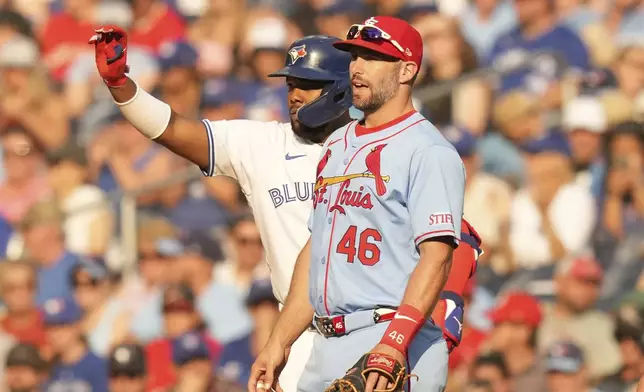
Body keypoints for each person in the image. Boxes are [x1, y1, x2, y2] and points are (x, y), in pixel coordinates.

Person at [89, 25, 481, 392]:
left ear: (342, 87)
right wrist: (122, 86)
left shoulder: (398, 145)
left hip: (383, 327)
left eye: (308, 85)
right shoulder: (266, 145)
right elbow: (175, 130)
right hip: (302, 330)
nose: (294, 94)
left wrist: (436, 311)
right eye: (291, 83)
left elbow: (453, 241)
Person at [253, 15, 466, 392]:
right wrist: (278, 342)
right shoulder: (337, 144)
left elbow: (437, 257)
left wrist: (395, 342)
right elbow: (317, 252)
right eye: (354, 57)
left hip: (391, 336)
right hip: (326, 343)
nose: (357, 68)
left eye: (373, 58)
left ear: (407, 71)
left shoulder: (428, 150)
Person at [42, 297, 108, 392]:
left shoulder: (98, 366)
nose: (54, 334)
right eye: (49, 327)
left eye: (61, 325)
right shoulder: (49, 368)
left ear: (77, 325)